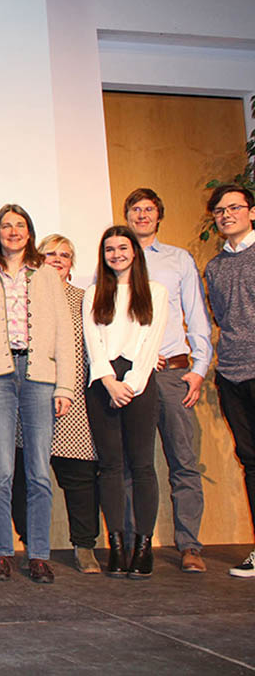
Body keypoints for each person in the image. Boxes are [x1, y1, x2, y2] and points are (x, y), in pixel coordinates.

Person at [0, 204, 74, 584]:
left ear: (29, 232)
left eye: (20, 225)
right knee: (1, 471)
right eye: (6, 226)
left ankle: (39, 554)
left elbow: (64, 333)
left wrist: (65, 386)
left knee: (39, 472)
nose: (13, 231)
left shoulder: (47, 277)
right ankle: (1, 553)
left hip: (39, 377)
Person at [124, 188, 211, 572]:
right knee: (131, 463)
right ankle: (130, 541)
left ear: (159, 216)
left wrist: (199, 367)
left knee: (184, 462)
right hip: (132, 377)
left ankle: (189, 545)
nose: (142, 215)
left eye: (148, 210)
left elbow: (196, 313)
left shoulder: (178, 260)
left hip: (175, 375)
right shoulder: (114, 258)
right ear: (126, 216)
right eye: (135, 210)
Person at [12, 234, 101, 574]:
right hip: (30, 399)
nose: (58, 259)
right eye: (50, 254)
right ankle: (32, 544)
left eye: (65, 254)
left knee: (79, 477)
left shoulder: (84, 300)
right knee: (25, 476)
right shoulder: (23, 299)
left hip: (73, 400)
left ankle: (84, 546)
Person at [83, 225, 167, 578]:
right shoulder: (94, 293)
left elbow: (151, 343)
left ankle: (142, 547)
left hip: (140, 381)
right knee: (111, 467)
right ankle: (117, 547)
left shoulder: (155, 292)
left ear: (135, 251)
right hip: (103, 383)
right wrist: (109, 382)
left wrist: (130, 385)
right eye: (109, 250)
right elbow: (93, 342)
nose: (116, 254)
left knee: (143, 466)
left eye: (122, 248)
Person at [203, 185, 255, 577]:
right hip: (232, 372)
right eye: (219, 211)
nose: (226, 215)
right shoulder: (216, 267)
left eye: (234, 207)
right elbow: (221, 317)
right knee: (251, 462)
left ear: (251, 212)